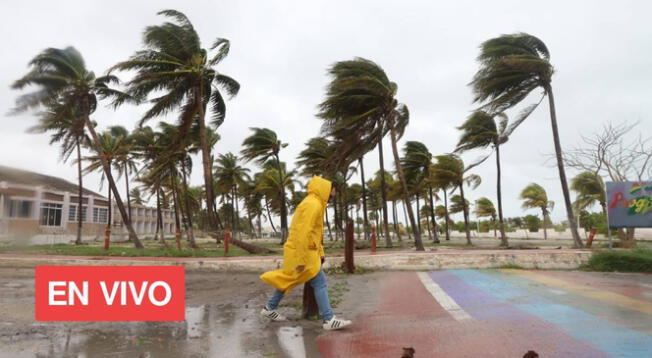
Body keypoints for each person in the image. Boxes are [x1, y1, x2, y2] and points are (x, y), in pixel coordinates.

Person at [259, 175, 352, 331]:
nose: (333, 196)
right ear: (327, 190)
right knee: (319, 283)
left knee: (288, 279)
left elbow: (315, 233)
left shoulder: (314, 203)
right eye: (333, 193)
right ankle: (328, 319)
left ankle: (269, 308)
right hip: (301, 253)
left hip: (304, 251)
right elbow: (303, 233)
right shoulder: (313, 205)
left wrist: (321, 253)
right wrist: (302, 260)